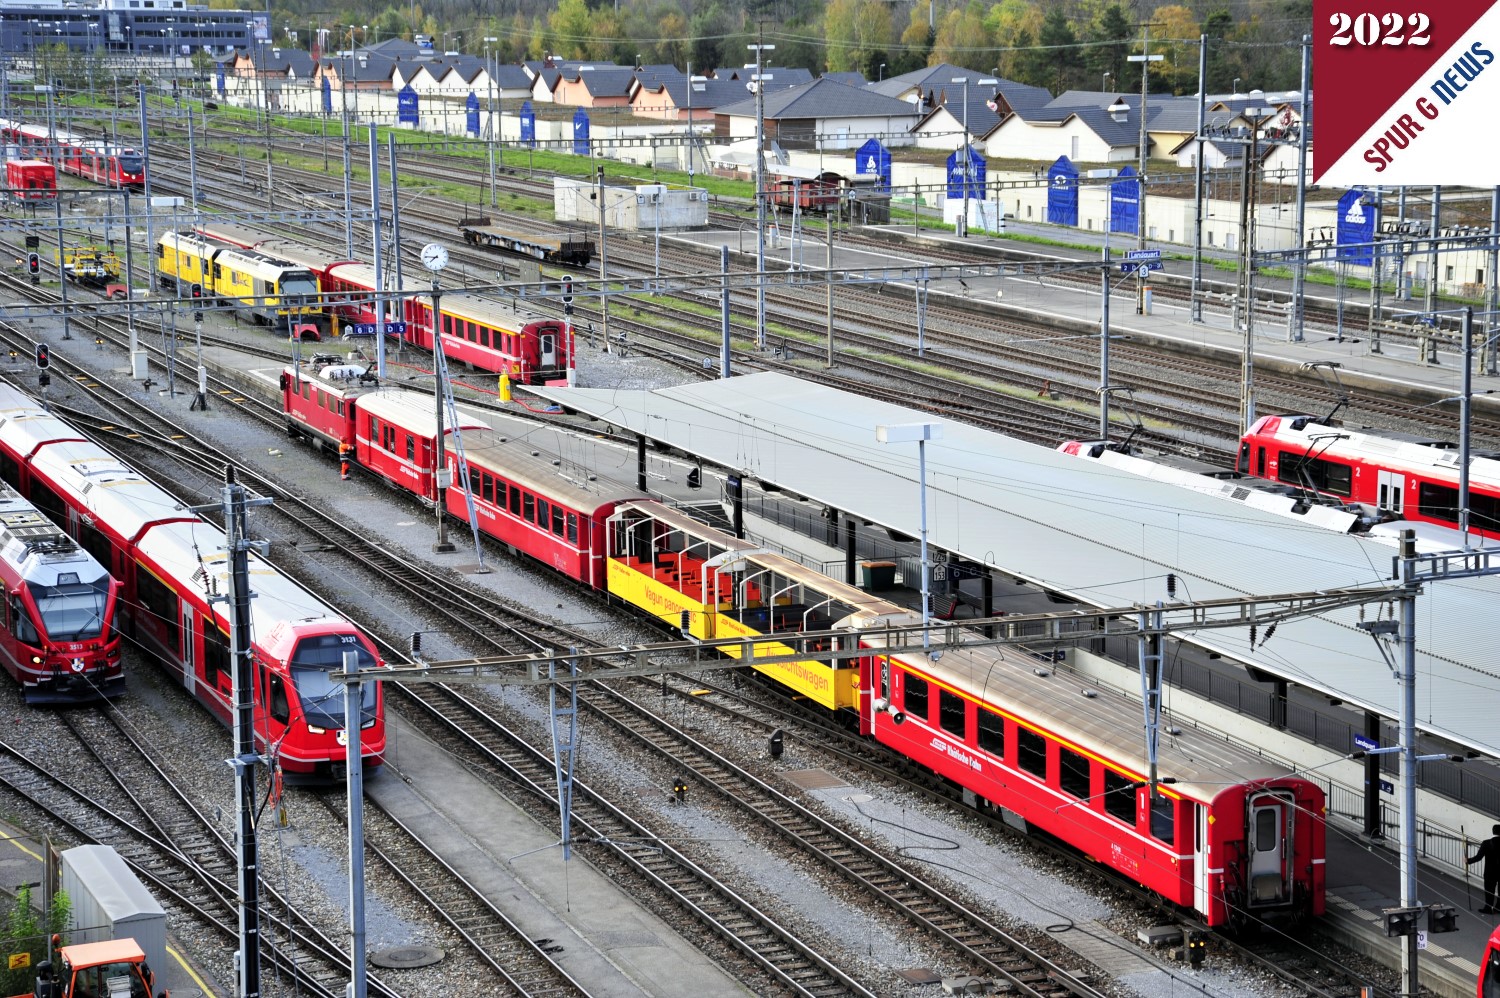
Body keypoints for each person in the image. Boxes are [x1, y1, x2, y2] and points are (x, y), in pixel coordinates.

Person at [1468, 823, 1500, 913]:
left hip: (1490, 871)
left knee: (1489, 890)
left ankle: (1488, 908)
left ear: (1493, 831)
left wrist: (1468, 861)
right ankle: (1498, 907)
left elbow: (1478, 857)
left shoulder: (1486, 843)